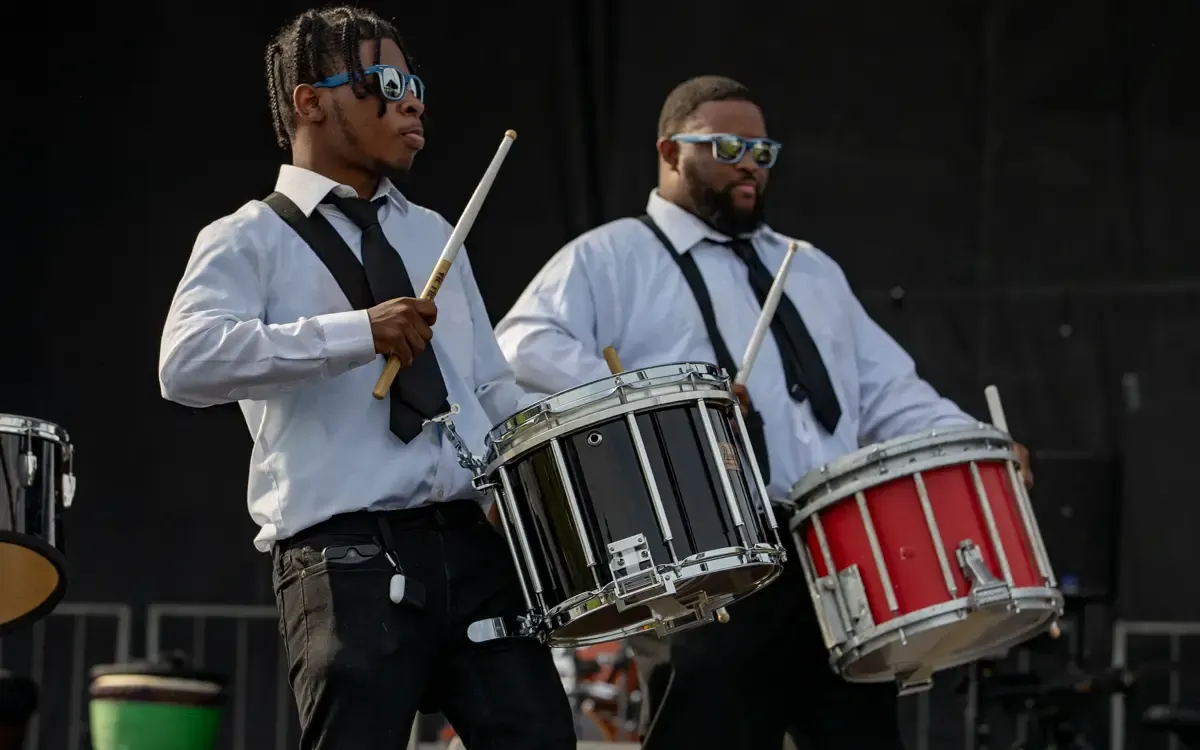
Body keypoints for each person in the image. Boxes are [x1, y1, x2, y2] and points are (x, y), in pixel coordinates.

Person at [494, 75, 1033, 750]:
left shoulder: (809, 269)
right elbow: (521, 348)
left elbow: (891, 393)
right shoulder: (611, 257)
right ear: (670, 151)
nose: (750, 163)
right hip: (704, 555)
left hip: (835, 552)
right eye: (726, 146)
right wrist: (672, 402)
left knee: (861, 735)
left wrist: (975, 443)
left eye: (762, 150)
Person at [157, 7, 574, 749]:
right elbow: (186, 362)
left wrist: (552, 466)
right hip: (345, 558)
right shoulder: (247, 237)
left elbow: (488, 388)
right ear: (308, 100)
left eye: (415, 82)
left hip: (468, 544)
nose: (412, 100)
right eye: (385, 81)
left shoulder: (432, 231)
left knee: (540, 736)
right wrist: (358, 332)